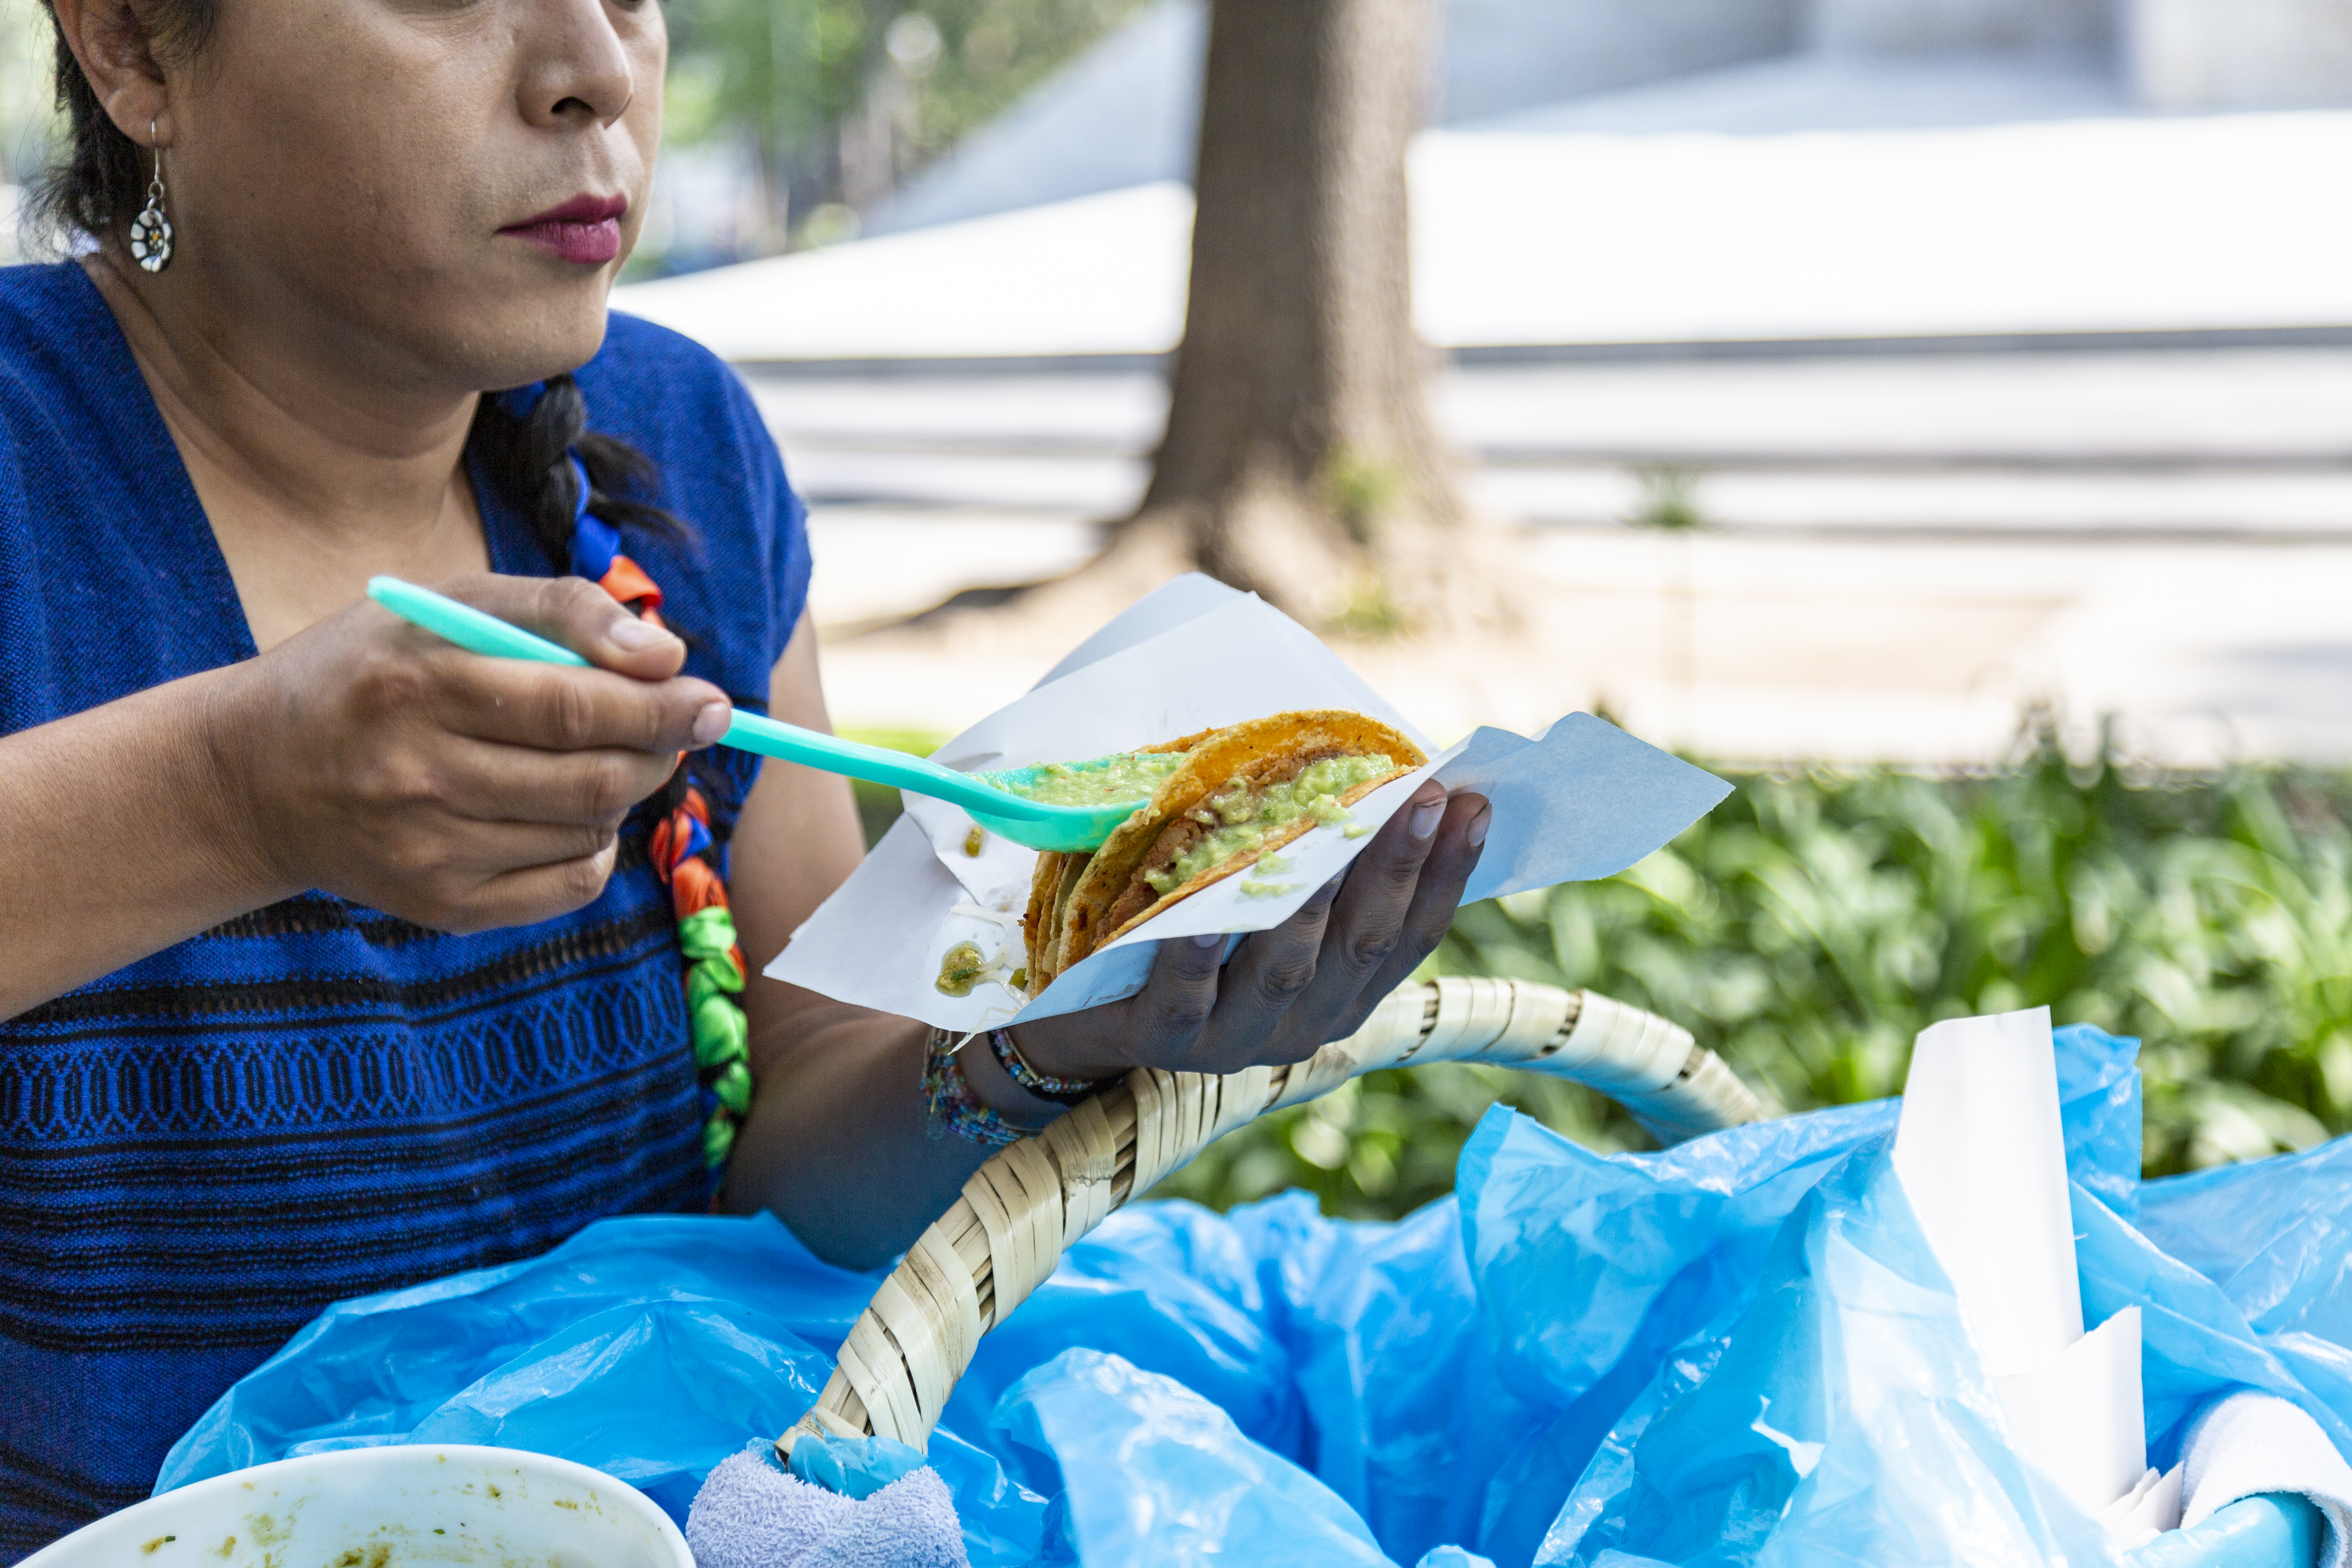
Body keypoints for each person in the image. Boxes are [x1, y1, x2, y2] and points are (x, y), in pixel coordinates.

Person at [0, 0, 1491, 1553]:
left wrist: (1027, 1043)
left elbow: (800, 1123)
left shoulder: (678, 447)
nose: (594, 72)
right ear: (134, 51)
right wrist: (232, 798)